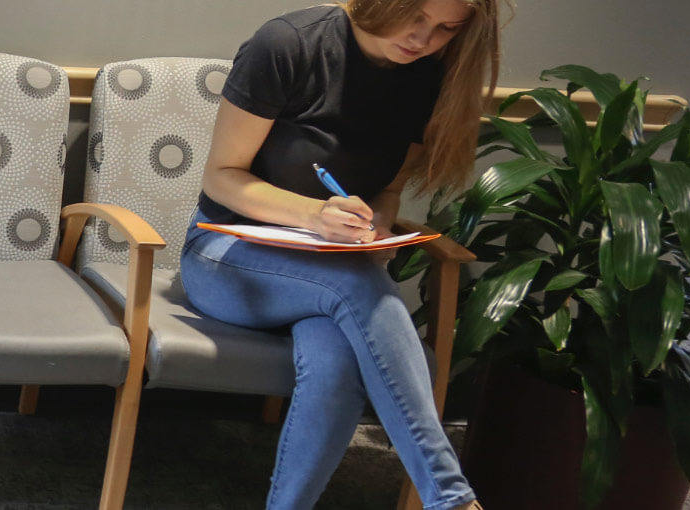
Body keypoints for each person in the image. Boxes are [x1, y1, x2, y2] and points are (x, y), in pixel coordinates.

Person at [182, 0, 504, 508]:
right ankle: (451, 497)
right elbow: (222, 178)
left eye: (446, 30)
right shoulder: (288, 44)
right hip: (226, 253)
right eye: (416, 17)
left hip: (328, 273)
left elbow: (390, 190)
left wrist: (375, 221)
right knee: (356, 284)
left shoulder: (426, 78)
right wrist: (313, 216)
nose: (423, 39)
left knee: (336, 363)